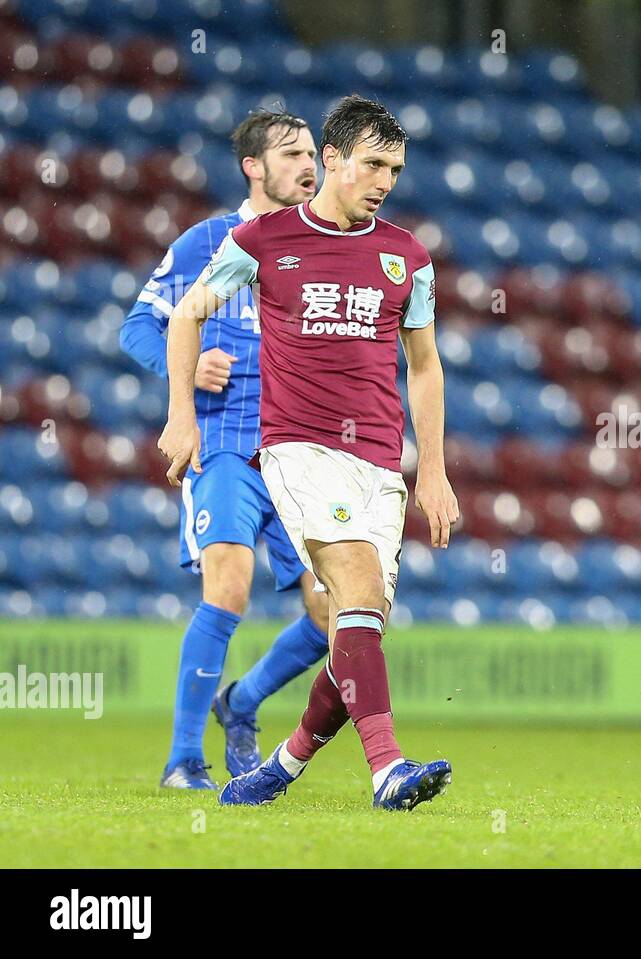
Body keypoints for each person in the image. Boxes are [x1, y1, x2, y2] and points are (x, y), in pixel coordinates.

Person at [157, 94, 461, 811]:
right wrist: (181, 415)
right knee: (352, 587)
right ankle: (387, 769)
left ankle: (282, 766)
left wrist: (436, 468)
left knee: (355, 626)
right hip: (299, 450)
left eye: (396, 169)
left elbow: (424, 365)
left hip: (381, 462)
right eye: (374, 164)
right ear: (332, 158)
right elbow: (186, 315)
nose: (386, 181)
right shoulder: (263, 241)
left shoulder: (406, 256)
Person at [121, 108, 330, 790]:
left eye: (313, 154)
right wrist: (185, 372)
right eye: (293, 153)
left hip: (299, 458)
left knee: (335, 612)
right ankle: (183, 760)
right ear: (253, 166)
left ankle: (239, 701)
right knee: (230, 585)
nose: (309, 165)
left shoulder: (325, 253)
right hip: (227, 451)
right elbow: (139, 327)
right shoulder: (208, 243)